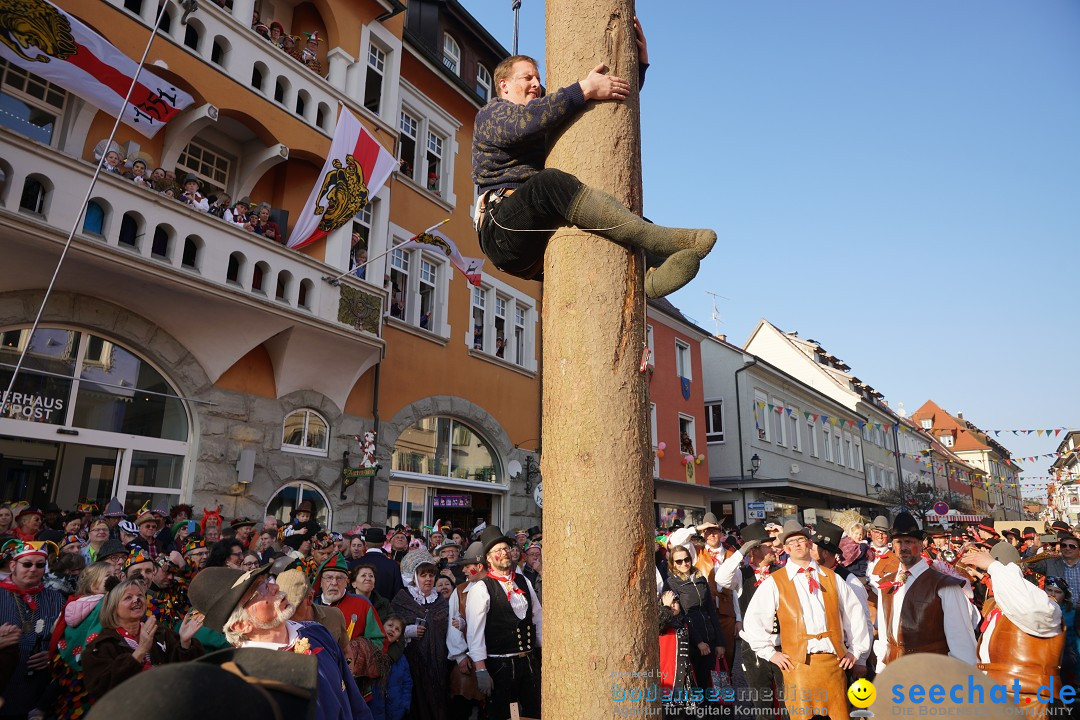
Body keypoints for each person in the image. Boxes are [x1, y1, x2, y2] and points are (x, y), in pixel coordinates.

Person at [470, 20, 716, 299]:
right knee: (548, 183)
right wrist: (584, 89)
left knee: (613, 213)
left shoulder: (543, 114)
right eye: (527, 78)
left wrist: (639, 66)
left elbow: (595, 113)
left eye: (537, 78)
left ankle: (649, 278)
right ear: (503, 85)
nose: (536, 84)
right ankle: (659, 239)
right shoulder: (492, 114)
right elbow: (529, 120)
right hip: (502, 230)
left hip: (538, 237)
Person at [188, 564, 373, 720]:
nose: (275, 588)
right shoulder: (244, 680)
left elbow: (354, 702)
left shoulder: (316, 632)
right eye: (259, 591)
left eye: (267, 582)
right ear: (241, 625)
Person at [742, 520, 870, 720]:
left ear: (810, 543)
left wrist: (856, 651)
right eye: (791, 542)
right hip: (798, 665)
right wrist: (769, 653)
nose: (797, 545)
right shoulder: (775, 582)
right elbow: (754, 621)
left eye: (801, 540)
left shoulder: (833, 577)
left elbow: (855, 615)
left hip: (833, 663)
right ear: (785, 548)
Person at [964, 543, 1063, 715]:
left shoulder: (1043, 604)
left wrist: (994, 566)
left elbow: (1030, 608)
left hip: (1027, 700)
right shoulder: (994, 604)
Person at [875, 511, 977, 670]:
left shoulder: (945, 585)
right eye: (898, 542)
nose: (903, 547)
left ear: (921, 544)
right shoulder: (886, 583)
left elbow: (961, 641)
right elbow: (884, 638)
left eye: (908, 541)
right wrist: (881, 673)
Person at [465, 526, 542, 720]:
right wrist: (481, 669)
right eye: (498, 550)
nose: (504, 553)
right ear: (488, 558)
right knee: (504, 715)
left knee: (534, 713)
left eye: (506, 549)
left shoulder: (524, 581)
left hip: (529, 663)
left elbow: (537, 619)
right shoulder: (481, 588)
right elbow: (475, 633)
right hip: (500, 666)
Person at [83, 579, 203, 697]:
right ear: (113, 608)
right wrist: (140, 651)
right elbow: (101, 688)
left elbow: (185, 672)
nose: (137, 600)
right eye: (128, 597)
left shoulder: (159, 631)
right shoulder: (101, 646)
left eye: (140, 595)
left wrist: (185, 643)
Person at [0, 540, 66, 716]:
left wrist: (51, 655)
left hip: (40, 690)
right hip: (4, 686)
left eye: (40, 565)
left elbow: (67, 639)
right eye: (27, 564)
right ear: (13, 565)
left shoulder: (56, 598)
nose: (33, 569)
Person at [391, 550, 450, 720]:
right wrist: (407, 631)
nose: (428, 579)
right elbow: (390, 626)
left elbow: (448, 625)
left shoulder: (440, 600)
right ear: (414, 578)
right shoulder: (402, 599)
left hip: (438, 663)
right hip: (413, 662)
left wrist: (458, 624)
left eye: (431, 575)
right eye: (423, 575)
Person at [809, 519, 872, 678]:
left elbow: (863, 620)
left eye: (813, 549)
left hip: (846, 657)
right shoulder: (812, 575)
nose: (808, 552)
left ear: (824, 553)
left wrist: (860, 660)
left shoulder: (849, 581)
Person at [665, 541, 724, 692]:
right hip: (690, 642)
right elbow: (681, 616)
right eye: (679, 561)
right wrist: (698, 642)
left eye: (687, 559)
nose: (684, 563)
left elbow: (711, 610)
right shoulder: (671, 583)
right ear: (673, 564)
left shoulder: (700, 578)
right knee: (694, 684)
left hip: (709, 637)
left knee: (708, 683)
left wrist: (719, 642)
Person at [446, 541, 487, 716]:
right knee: (462, 707)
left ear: (479, 566)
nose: (462, 571)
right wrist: (460, 656)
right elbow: (453, 625)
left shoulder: (495, 588)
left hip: (493, 659)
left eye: (466, 566)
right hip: (467, 663)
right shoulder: (459, 591)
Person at [314, 553, 384, 644]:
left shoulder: (362, 604)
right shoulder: (310, 605)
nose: (334, 583)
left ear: (346, 582)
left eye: (339, 578)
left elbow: (380, 641)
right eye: (329, 578)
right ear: (320, 582)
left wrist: (358, 652)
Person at [361, 528, 405, 601]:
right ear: (383, 543)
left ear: (365, 543)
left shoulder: (356, 563)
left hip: (360, 609)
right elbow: (398, 592)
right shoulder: (392, 565)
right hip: (386, 609)